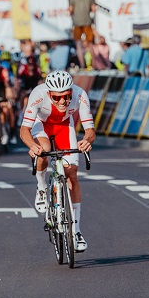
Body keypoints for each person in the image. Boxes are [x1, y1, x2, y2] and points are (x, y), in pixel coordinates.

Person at [20, 70, 95, 253]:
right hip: (41, 125)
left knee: (72, 175)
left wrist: (86, 141)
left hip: (64, 126)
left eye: (66, 96)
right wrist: (32, 146)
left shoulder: (80, 95)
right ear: (49, 94)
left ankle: (76, 232)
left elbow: (90, 130)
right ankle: (41, 187)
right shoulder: (37, 95)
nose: (63, 101)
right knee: (44, 151)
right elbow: (24, 131)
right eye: (57, 97)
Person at [69, 0, 95, 68]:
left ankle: (82, 65)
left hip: (76, 23)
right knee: (90, 44)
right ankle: (93, 64)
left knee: (78, 45)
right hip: (87, 21)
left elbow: (70, 10)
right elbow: (93, 9)